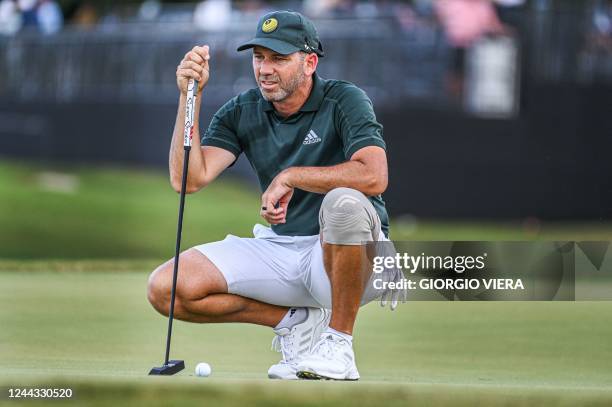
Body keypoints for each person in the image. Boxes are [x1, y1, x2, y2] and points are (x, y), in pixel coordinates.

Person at [147, 10, 403, 381]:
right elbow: (187, 180)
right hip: (282, 250)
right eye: (259, 57)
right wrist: (191, 99)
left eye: (279, 59)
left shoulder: (344, 100)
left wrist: (293, 176)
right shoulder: (243, 110)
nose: (265, 69)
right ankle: (296, 322)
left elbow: (374, 175)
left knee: (342, 203)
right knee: (166, 289)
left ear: (310, 62)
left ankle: (339, 345)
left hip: (353, 257)